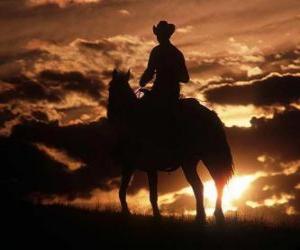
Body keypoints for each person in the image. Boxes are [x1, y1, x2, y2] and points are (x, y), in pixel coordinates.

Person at [140, 20, 190, 106]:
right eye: (158, 34)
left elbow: (150, 71)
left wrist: (143, 81)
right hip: (172, 92)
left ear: (166, 35)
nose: (158, 37)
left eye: (160, 34)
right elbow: (185, 78)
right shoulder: (177, 53)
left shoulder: (156, 51)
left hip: (160, 91)